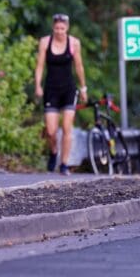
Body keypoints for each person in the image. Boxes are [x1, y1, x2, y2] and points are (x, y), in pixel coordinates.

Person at [34, 13, 87, 176]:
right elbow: (40, 66)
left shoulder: (74, 43)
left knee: (66, 127)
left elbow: (79, 66)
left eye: (62, 28)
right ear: (53, 27)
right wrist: (38, 85)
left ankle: (64, 164)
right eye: (57, 28)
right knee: (51, 131)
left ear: (67, 28)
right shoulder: (45, 42)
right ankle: (54, 151)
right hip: (51, 89)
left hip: (68, 89)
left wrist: (83, 88)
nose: (59, 31)